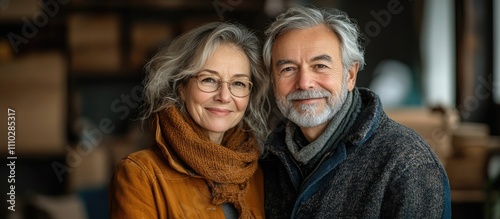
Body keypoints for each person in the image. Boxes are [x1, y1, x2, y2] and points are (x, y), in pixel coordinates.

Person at [260, 5, 451, 219]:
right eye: (288, 69)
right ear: (273, 80)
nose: (304, 83)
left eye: (320, 66)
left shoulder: (407, 163)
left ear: (350, 75)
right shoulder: (267, 159)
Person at [108, 21, 270, 219]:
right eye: (209, 79)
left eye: (238, 83)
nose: (225, 96)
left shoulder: (255, 174)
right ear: (181, 88)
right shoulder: (141, 174)